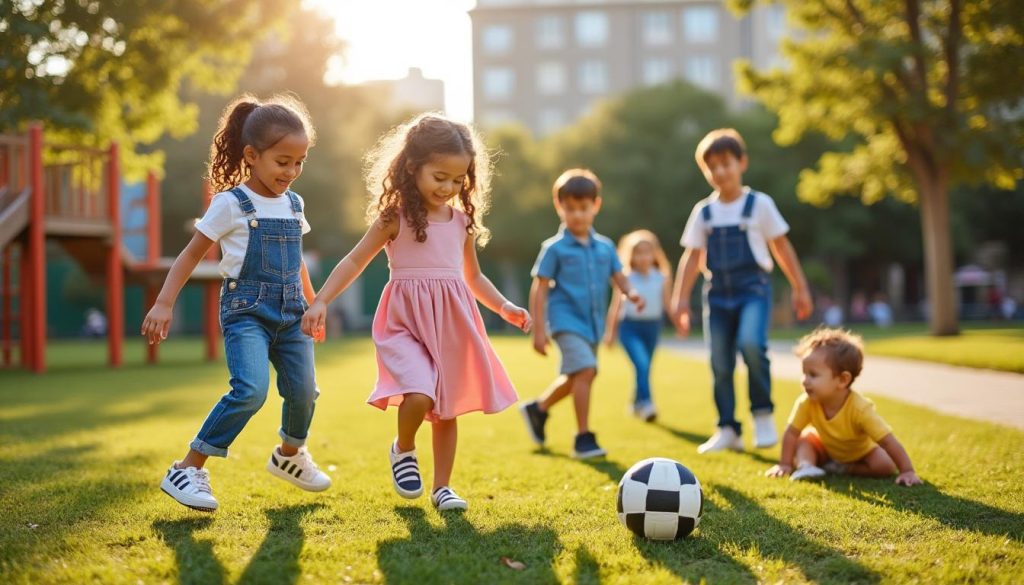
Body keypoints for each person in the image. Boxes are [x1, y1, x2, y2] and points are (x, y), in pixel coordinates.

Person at [301, 113, 530, 511]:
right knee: (421, 393)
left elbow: (474, 278)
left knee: (448, 407)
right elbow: (354, 261)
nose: (449, 188)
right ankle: (403, 448)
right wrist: (321, 299)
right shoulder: (395, 217)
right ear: (412, 167)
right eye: (439, 177)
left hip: (451, 326)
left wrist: (504, 306)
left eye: (457, 180)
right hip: (404, 324)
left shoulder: (462, 223)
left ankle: (443, 488)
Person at [142, 94, 331, 512]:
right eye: (283, 161)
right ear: (252, 155)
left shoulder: (294, 203)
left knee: (304, 391)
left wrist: (314, 304)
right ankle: (187, 468)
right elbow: (190, 255)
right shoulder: (230, 203)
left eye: (299, 162)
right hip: (247, 313)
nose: (291, 172)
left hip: (293, 314)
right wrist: (164, 303)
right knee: (250, 390)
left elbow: (296, 259)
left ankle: (290, 455)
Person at [672, 128, 813, 454]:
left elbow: (781, 246)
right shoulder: (704, 212)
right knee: (720, 362)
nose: (720, 172)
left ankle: (762, 414)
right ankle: (727, 428)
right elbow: (691, 257)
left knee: (751, 344)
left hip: (753, 289)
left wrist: (800, 287)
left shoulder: (759, 204)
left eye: (726, 164)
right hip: (717, 293)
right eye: (712, 167)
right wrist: (680, 300)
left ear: (742, 163)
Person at [519, 169, 645, 459]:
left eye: (583, 208)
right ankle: (583, 438)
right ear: (559, 207)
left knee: (578, 376)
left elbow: (619, 277)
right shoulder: (554, 249)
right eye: (570, 208)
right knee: (587, 370)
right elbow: (540, 289)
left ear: (595, 206)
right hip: (565, 322)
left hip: (592, 325)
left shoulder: (605, 247)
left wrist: (632, 293)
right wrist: (538, 331)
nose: (577, 215)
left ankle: (538, 408)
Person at [766, 328, 922, 486]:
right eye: (804, 373)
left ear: (842, 380)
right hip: (825, 449)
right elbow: (791, 432)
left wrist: (907, 470)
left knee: (885, 465)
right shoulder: (807, 402)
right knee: (804, 439)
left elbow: (887, 441)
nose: (804, 381)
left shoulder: (860, 408)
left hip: (860, 453)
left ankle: (845, 468)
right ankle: (807, 466)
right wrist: (785, 464)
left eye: (813, 374)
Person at [603, 230, 673, 422]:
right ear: (630, 255)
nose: (643, 257)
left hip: (653, 327)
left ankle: (635, 403)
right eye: (638, 253)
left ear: (654, 254)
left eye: (647, 252)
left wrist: (679, 322)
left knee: (644, 367)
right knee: (641, 364)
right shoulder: (626, 278)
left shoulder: (662, 277)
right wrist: (610, 333)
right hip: (630, 327)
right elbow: (616, 307)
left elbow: (668, 303)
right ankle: (647, 403)